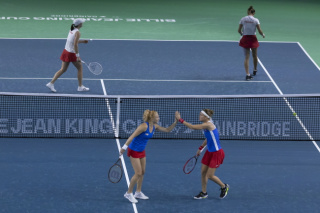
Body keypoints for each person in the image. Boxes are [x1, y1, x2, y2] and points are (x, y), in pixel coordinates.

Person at [119, 110, 177, 203]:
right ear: (152, 118)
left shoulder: (155, 126)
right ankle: (128, 193)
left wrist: (175, 122)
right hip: (134, 150)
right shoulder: (143, 126)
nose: (159, 118)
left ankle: (138, 192)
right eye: (157, 117)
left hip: (142, 151)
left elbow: (167, 130)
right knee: (138, 173)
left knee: (142, 172)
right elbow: (132, 136)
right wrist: (124, 148)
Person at [175, 109, 229, 199]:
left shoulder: (208, 124)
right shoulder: (206, 126)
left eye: (201, 115)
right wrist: (200, 148)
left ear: (206, 117)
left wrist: (180, 119)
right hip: (209, 152)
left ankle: (224, 186)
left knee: (210, 175)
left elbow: (192, 127)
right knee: (203, 172)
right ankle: (204, 193)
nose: (199, 116)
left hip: (217, 153)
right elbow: (208, 138)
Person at [46, 18, 89, 92]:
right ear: (79, 24)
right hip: (71, 53)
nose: (82, 23)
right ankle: (80, 87)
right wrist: (78, 56)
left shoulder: (72, 29)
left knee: (63, 69)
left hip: (66, 51)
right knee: (80, 68)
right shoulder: (78, 33)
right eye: (82, 22)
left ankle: (51, 83)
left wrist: (82, 41)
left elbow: (72, 41)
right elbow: (75, 44)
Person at [238, 6, 265, 81]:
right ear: (254, 13)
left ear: (248, 12)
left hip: (245, 38)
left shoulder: (243, 19)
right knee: (255, 55)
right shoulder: (256, 20)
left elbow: (239, 30)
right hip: (253, 39)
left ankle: (247, 74)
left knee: (247, 57)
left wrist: (242, 34)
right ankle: (255, 69)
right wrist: (263, 35)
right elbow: (259, 31)